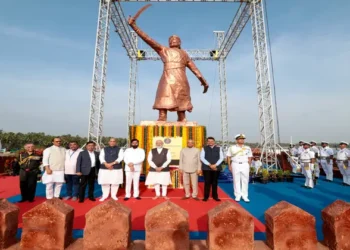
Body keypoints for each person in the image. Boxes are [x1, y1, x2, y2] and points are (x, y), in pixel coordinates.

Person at [128, 10, 209, 122]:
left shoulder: (184, 54)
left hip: (181, 78)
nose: (173, 40)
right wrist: (134, 26)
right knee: (164, 95)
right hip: (168, 76)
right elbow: (148, 39)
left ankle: (182, 116)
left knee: (182, 97)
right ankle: (162, 116)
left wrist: (203, 81)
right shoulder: (163, 50)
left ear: (180, 43)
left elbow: (194, 68)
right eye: (171, 40)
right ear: (169, 43)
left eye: (176, 39)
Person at [227, 134, 253, 202]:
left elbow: (250, 157)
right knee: (236, 180)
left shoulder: (248, 148)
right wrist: (229, 165)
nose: (242, 140)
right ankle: (237, 195)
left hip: (245, 164)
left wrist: (249, 165)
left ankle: (245, 196)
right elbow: (229, 157)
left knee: (245, 180)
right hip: (235, 164)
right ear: (237, 140)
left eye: (243, 139)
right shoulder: (232, 148)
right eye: (240, 139)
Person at [200, 137, 224, 202]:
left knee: (214, 182)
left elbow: (221, 158)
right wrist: (210, 165)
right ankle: (206, 197)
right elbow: (202, 158)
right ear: (207, 142)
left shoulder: (219, 148)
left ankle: (215, 196)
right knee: (207, 182)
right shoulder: (204, 148)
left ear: (214, 141)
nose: (210, 142)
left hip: (216, 167)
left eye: (212, 141)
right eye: (209, 141)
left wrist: (215, 165)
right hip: (207, 168)